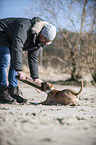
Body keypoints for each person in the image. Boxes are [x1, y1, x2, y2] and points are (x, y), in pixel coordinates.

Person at [0, 17, 56, 104]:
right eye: (46, 40)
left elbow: (33, 58)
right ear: (40, 34)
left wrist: (35, 77)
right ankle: (2, 91)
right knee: (5, 61)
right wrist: (19, 70)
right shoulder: (24, 27)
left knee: (14, 63)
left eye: (48, 42)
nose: (45, 43)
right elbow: (17, 46)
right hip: (2, 33)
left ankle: (13, 91)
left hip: (11, 40)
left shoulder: (39, 41)